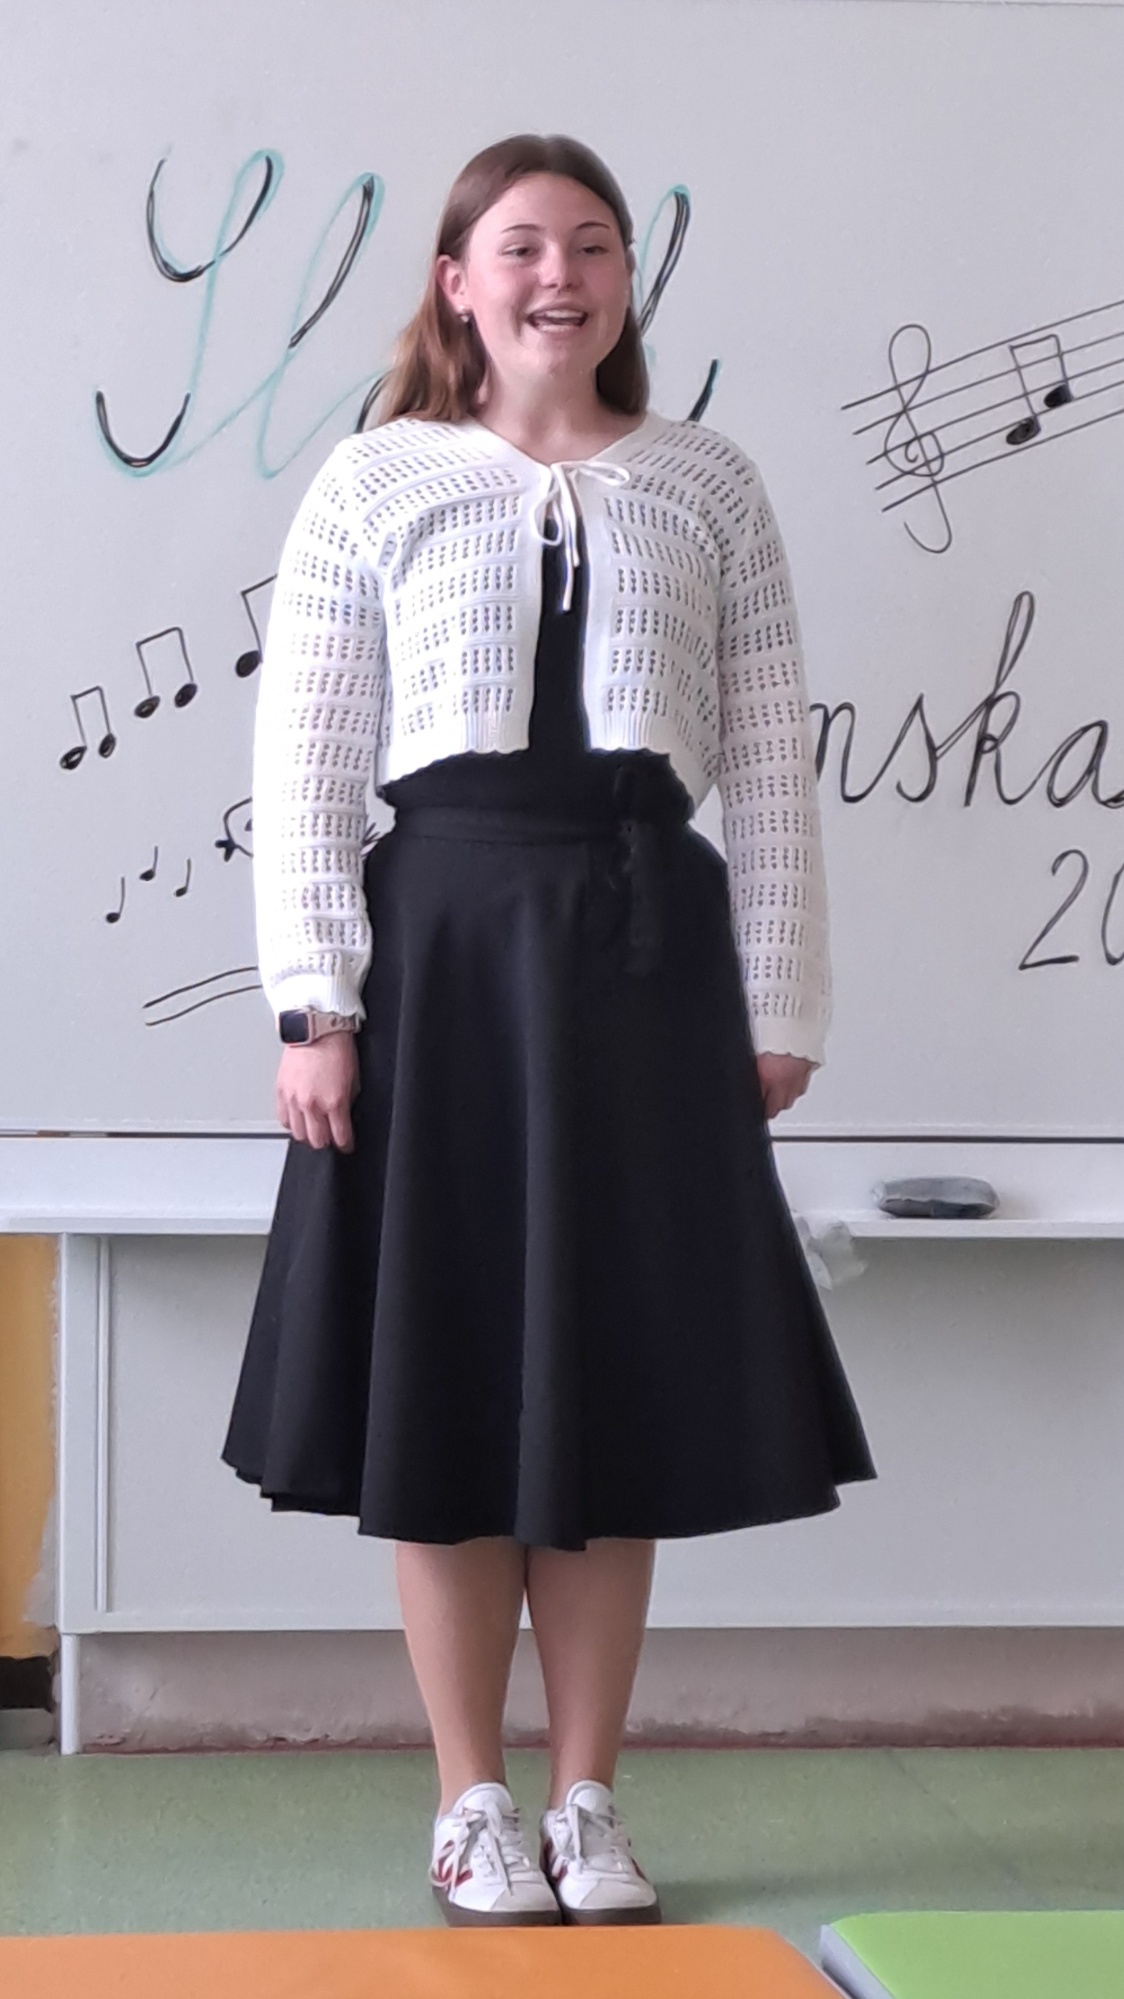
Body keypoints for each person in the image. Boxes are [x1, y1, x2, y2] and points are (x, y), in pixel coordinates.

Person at [221, 131, 875, 1931]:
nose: (558, 275)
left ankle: (589, 1797)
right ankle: (471, 1804)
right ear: (458, 280)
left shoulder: (708, 481)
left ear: (622, 281)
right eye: (520, 245)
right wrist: (316, 1003)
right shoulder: (376, 481)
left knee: (610, 1385)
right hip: (439, 958)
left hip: (646, 967)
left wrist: (780, 996)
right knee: (446, 1383)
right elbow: (308, 759)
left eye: (591, 244)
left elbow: (772, 758)